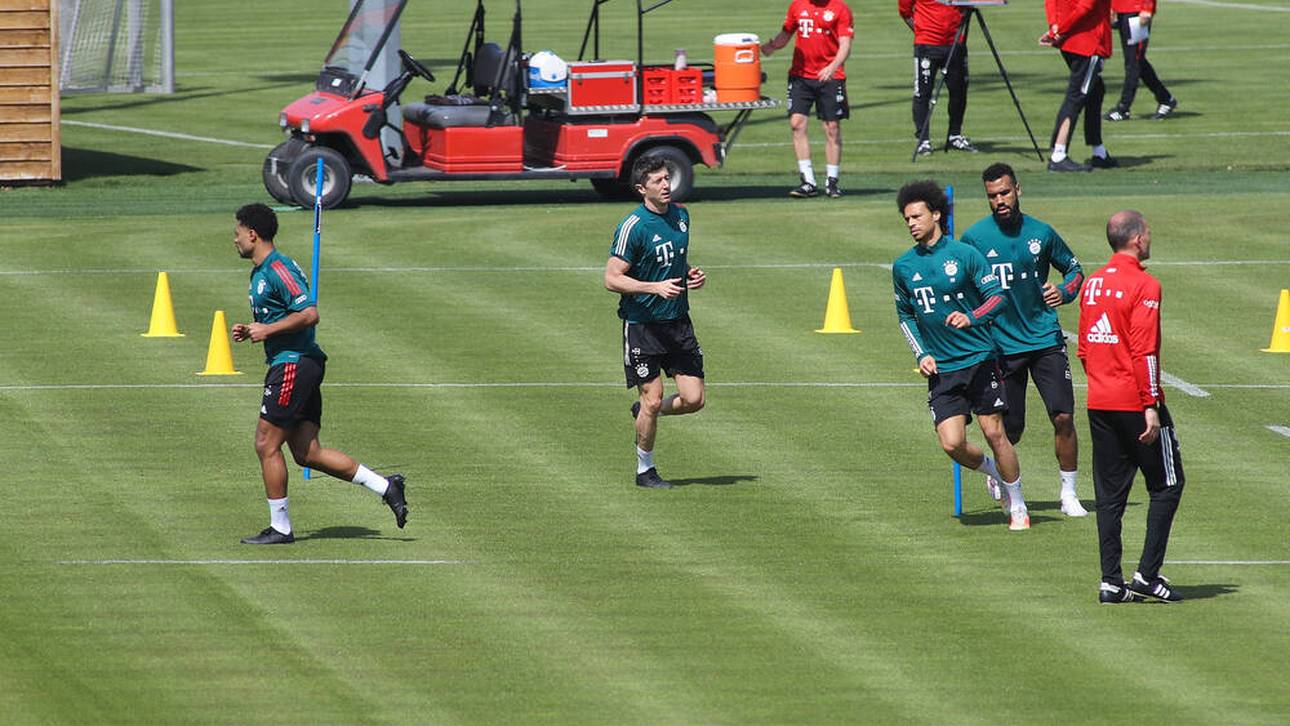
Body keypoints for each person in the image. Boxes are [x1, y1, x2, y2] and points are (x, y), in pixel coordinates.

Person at [230, 203, 408, 544]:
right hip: (299, 363)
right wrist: (254, 329)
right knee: (307, 453)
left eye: (237, 233)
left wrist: (267, 331)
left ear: (252, 234)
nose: (234, 240)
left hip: (293, 365)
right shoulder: (260, 272)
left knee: (266, 444)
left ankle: (280, 528)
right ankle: (386, 487)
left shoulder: (278, 268)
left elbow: (309, 313)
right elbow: (282, 316)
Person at [892, 180, 1030, 530]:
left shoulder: (965, 255)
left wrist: (972, 317)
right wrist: (921, 353)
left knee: (994, 432)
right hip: (942, 368)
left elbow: (997, 298)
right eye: (907, 219)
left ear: (937, 214)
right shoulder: (903, 266)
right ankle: (994, 472)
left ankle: (1018, 505)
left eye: (917, 216)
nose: (911, 223)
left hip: (980, 358)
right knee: (952, 443)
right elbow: (905, 316)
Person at [960, 163, 1088, 518]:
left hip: (1045, 338)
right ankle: (1000, 475)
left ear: (1017, 189)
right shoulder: (974, 239)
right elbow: (962, 288)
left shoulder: (1041, 233)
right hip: (1001, 346)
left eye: (1004, 192)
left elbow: (1075, 270)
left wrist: (1064, 291)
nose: (999, 200)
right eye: (992, 196)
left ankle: (1069, 494)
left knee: (1063, 416)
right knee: (1011, 428)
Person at [1078, 210, 1185, 603]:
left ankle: (1111, 581)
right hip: (1135, 403)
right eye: (1149, 233)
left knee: (1109, 496)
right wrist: (1150, 403)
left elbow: (1085, 348)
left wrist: (1103, 382)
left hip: (1099, 401)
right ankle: (1146, 576)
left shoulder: (1092, 283)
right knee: (1168, 485)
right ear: (1138, 239)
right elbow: (1145, 350)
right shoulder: (1145, 285)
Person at [604, 154, 708, 489]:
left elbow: (671, 258)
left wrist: (689, 273)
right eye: (658, 181)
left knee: (694, 399)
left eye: (666, 178)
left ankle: (646, 410)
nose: (666, 185)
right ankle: (644, 470)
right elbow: (611, 278)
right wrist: (654, 287)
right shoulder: (633, 226)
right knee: (653, 397)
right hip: (642, 326)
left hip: (678, 323)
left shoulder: (681, 215)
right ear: (641, 188)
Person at [761, 0, 855, 199]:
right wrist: (771, 46)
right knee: (797, 124)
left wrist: (832, 67)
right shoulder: (797, 6)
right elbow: (786, 33)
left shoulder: (840, 9)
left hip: (830, 77)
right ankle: (808, 181)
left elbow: (845, 45)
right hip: (800, 76)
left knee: (832, 128)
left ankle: (832, 181)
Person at [1041, 0, 1117, 172]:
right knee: (1077, 96)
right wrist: (1059, 30)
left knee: (1096, 90)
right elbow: (1086, 6)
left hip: (1072, 40)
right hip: (1088, 42)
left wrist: (1055, 26)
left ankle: (1098, 151)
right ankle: (1058, 154)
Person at [899, 0, 977, 156]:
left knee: (959, 90)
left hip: (955, 44)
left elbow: (966, 6)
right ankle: (923, 140)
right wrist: (920, 30)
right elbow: (904, 10)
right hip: (927, 45)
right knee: (923, 93)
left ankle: (955, 135)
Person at [1104, 0, 1178, 122]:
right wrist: (1112, 6)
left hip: (1137, 11)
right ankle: (1165, 98)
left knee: (1134, 61)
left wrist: (1147, 8)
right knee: (1137, 61)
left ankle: (1123, 108)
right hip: (1123, 9)